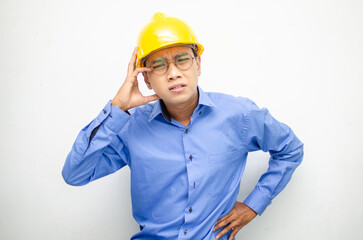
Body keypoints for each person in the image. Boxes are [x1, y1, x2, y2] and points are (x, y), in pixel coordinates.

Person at [62, 12, 304, 240]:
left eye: (182, 60)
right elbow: (75, 174)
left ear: (198, 64)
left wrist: (254, 204)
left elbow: (290, 149)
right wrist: (117, 109)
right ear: (145, 78)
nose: (173, 73)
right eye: (158, 65)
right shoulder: (130, 127)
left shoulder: (239, 115)